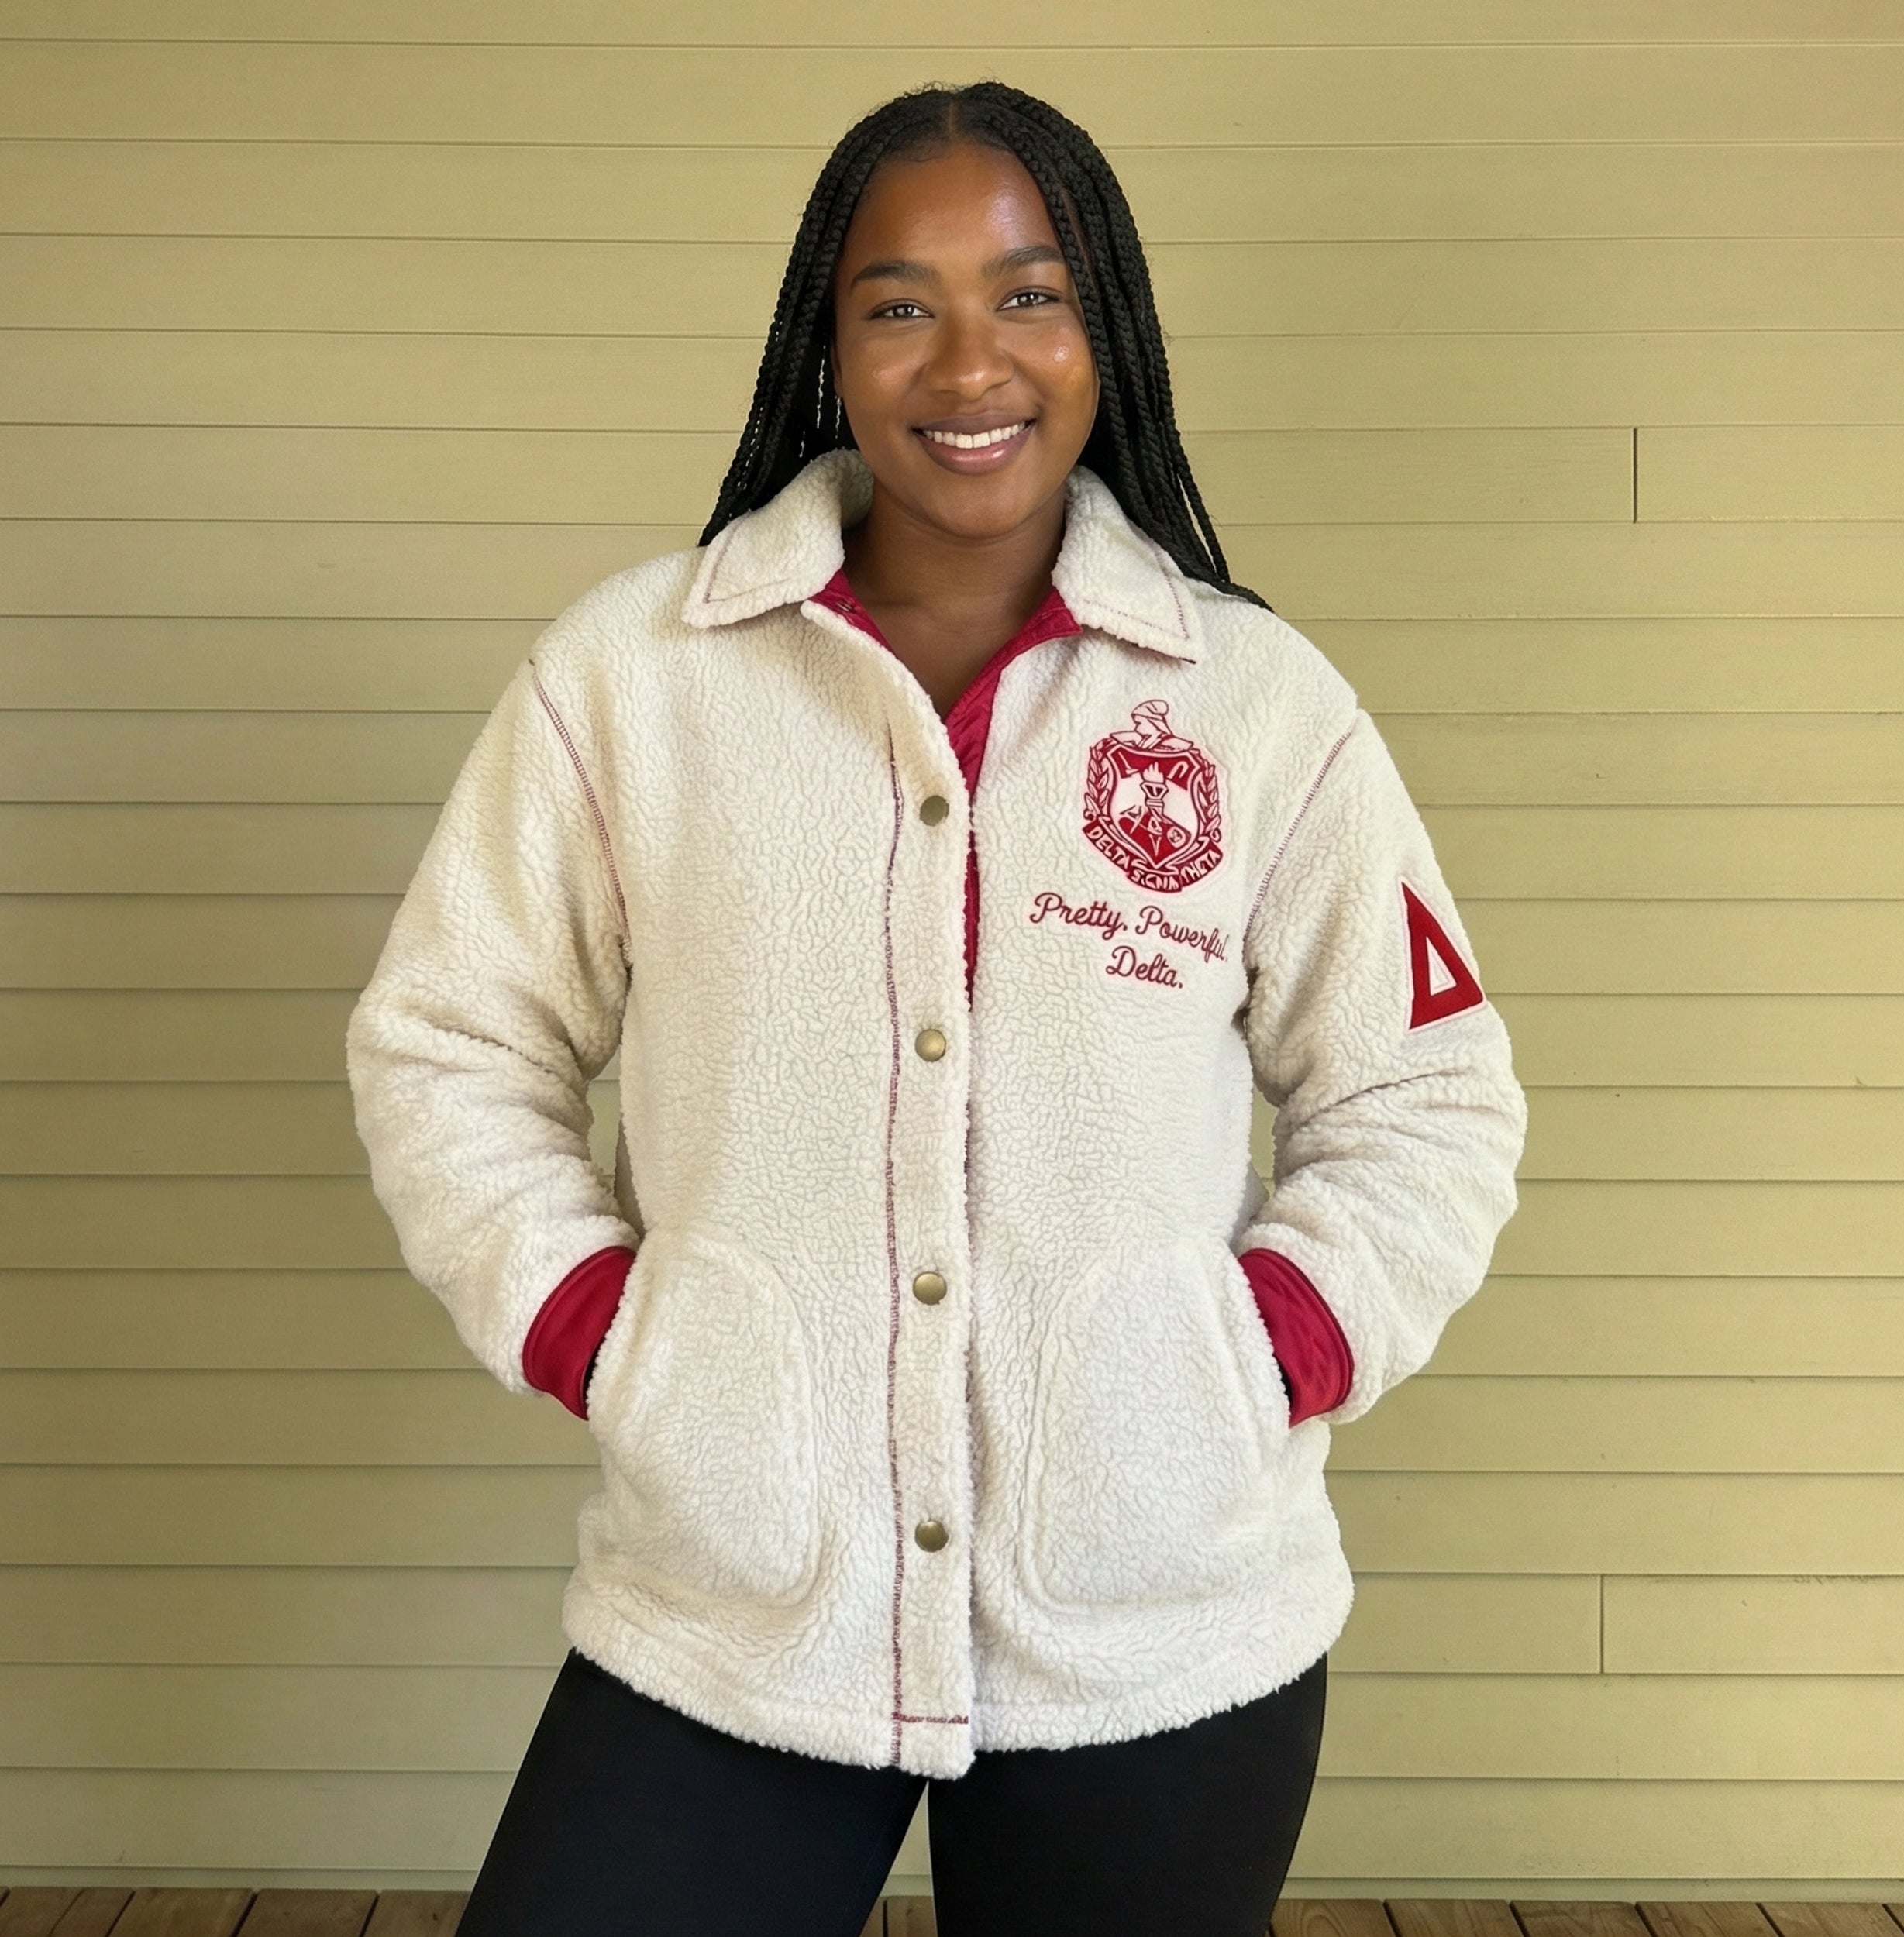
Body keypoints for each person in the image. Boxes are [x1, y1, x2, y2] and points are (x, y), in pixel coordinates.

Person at [346, 80, 1526, 1937]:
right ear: (825, 345)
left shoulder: (1254, 705)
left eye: (1028, 295)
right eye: (898, 304)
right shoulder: (633, 680)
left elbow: (1425, 1096)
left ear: (1102, 327)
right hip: (735, 1608)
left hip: (1160, 1630)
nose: (969, 362)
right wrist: (604, 1330)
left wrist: (1251, 1359)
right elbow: (448, 1041)